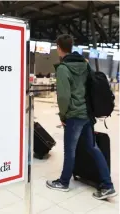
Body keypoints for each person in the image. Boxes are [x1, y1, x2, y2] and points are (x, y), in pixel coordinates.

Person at [46, 34, 117, 200]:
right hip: (87, 114)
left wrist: (63, 115)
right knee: (93, 148)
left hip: (74, 115)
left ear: (59, 47)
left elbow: (63, 97)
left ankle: (63, 182)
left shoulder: (63, 68)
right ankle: (107, 185)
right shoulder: (84, 65)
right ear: (72, 47)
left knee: (70, 150)